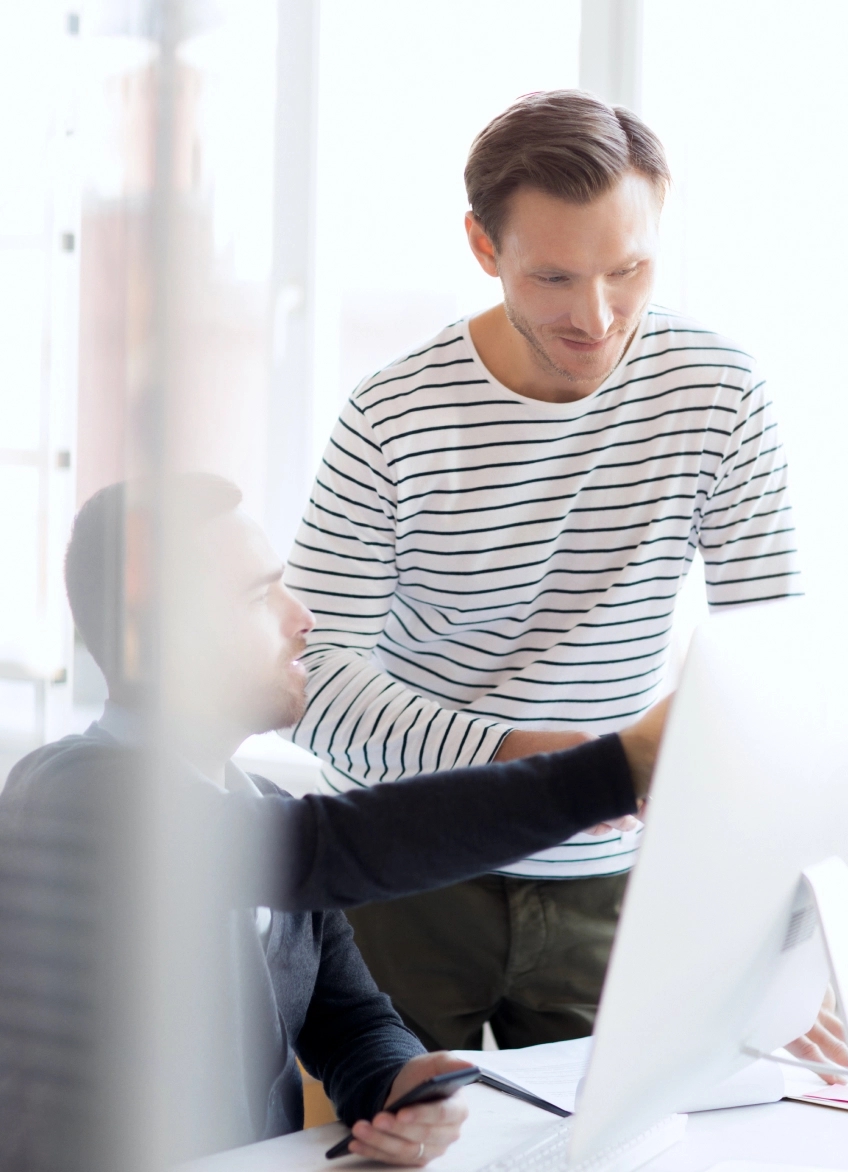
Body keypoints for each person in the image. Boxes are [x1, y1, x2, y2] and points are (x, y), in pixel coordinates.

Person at [285, 89, 804, 1052]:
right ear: (486, 249)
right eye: (555, 277)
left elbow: (772, 646)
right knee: (389, 1144)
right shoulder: (390, 417)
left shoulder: (718, 391)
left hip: (614, 876)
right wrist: (523, 758)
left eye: (630, 269)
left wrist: (781, 920)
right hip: (406, 863)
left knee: (613, 1146)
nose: (597, 318)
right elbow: (312, 680)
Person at [0, 475, 665, 1169]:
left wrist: (399, 1083)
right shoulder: (69, 792)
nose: (303, 618)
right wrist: (613, 771)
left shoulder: (264, 808)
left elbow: (350, 1020)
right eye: (261, 596)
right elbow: (320, 849)